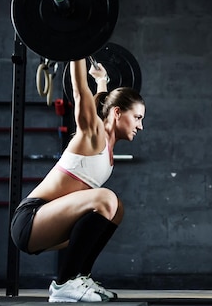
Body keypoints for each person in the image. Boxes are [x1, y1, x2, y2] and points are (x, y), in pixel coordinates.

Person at [11, 58, 145, 303]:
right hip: (31, 220)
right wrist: (77, 52)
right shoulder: (93, 135)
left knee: (117, 209)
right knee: (106, 198)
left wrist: (102, 80)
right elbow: (80, 91)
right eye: (137, 117)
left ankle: (81, 277)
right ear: (117, 113)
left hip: (53, 223)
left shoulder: (107, 144)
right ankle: (64, 283)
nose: (141, 125)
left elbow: (100, 101)